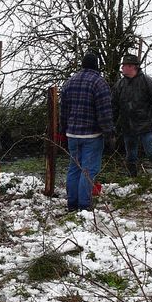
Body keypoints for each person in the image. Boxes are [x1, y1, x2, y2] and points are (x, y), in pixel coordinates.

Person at [60, 52, 113, 212]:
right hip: (92, 135)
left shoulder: (69, 82)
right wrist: (109, 133)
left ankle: (72, 203)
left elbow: (63, 111)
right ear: (97, 66)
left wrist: (63, 130)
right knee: (88, 170)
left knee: (74, 168)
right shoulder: (99, 83)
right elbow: (104, 112)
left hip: (72, 134)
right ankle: (84, 206)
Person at [111, 54, 152, 181]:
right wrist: (111, 124)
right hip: (128, 126)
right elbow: (113, 106)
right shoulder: (119, 85)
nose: (122, 68)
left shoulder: (149, 83)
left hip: (146, 125)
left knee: (151, 152)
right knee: (130, 155)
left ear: (133, 67)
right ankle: (133, 179)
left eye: (124, 66)